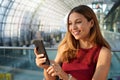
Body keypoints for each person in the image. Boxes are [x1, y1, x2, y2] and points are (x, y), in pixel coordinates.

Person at [34, 5, 112, 80]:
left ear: (91, 23)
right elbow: (51, 79)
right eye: (70, 24)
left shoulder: (103, 52)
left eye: (78, 22)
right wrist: (46, 67)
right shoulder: (65, 47)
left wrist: (65, 75)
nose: (73, 28)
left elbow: (62, 75)